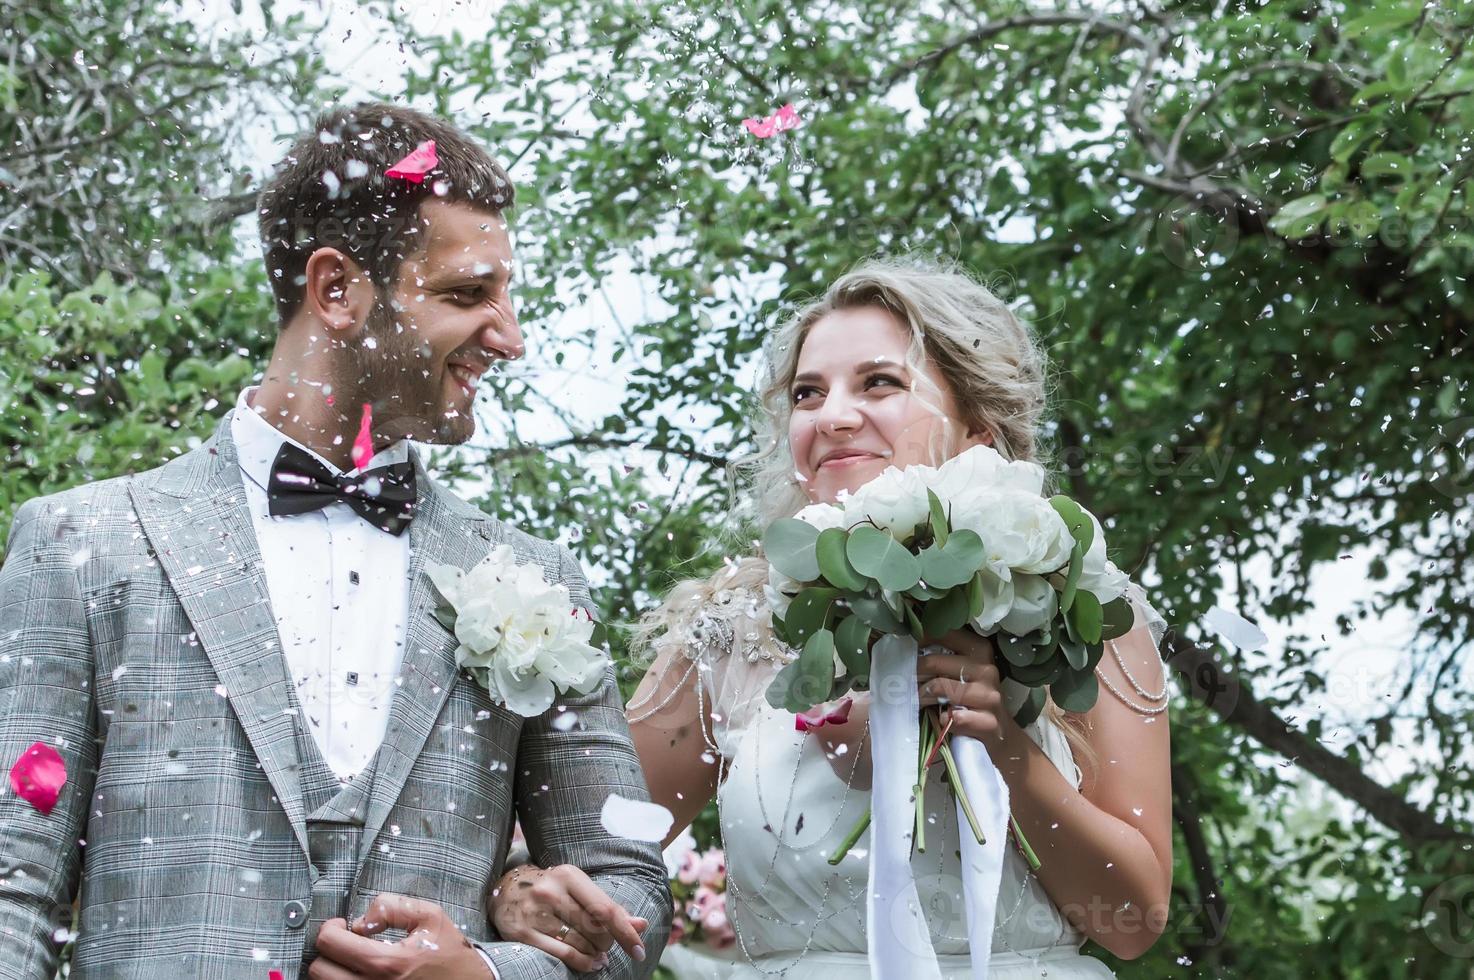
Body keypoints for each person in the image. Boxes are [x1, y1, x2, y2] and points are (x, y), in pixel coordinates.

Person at [0, 102, 669, 980]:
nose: (509, 337)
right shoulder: (82, 544)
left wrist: (491, 973)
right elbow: (13, 892)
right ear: (337, 290)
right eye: (468, 295)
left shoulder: (531, 578)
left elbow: (632, 891)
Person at [489, 258, 1173, 977]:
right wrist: (519, 889)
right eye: (807, 394)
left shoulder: (1084, 609)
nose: (832, 415)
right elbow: (593, 843)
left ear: (978, 422)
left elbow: (1131, 924)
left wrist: (1007, 749)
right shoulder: (736, 629)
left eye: (879, 382)